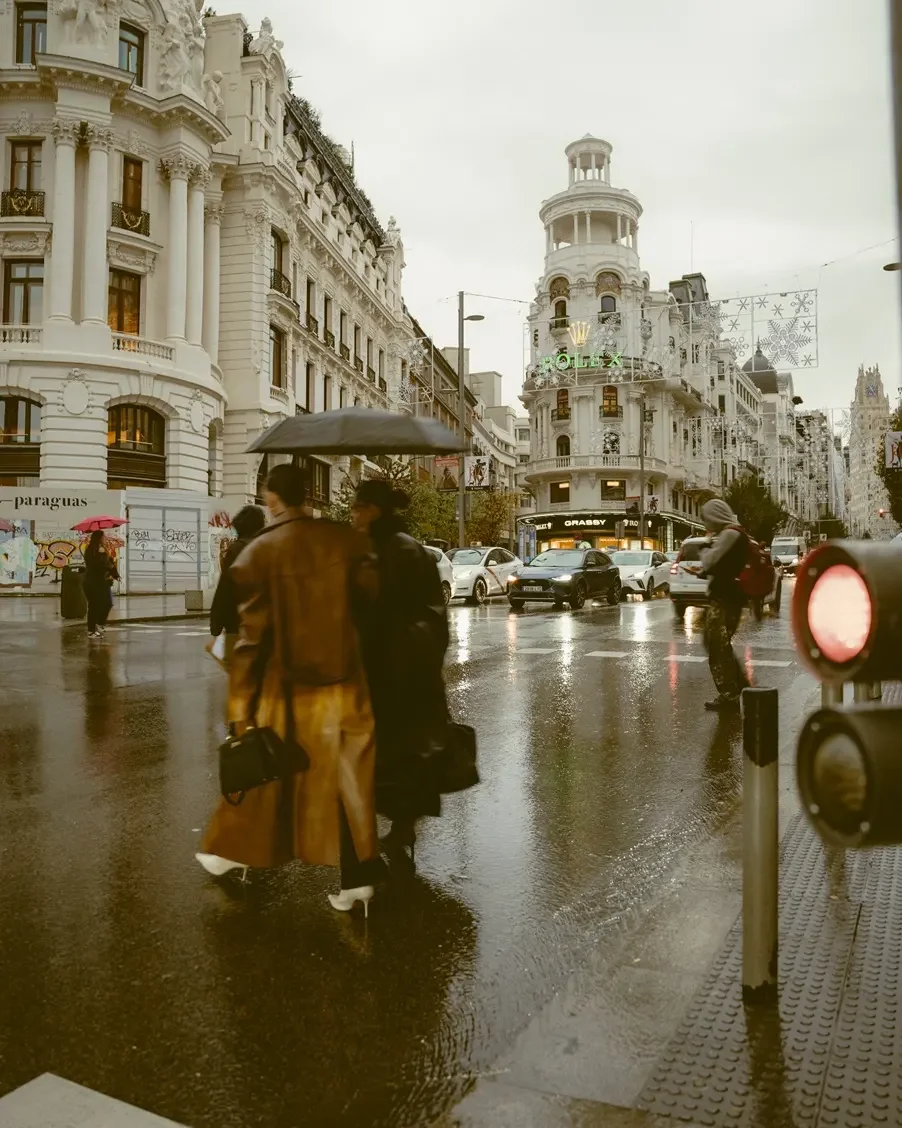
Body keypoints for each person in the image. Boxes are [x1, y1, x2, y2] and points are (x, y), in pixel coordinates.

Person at [197, 464, 385, 915]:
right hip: (348, 685)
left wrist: (239, 704)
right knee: (349, 784)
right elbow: (371, 605)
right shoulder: (346, 539)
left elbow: (251, 639)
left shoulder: (261, 551)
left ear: (271, 498)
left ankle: (231, 852)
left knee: (267, 774)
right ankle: (359, 874)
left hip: (289, 690)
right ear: (308, 493)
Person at [351, 480, 449, 866]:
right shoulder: (405, 548)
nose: (353, 514)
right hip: (410, 669)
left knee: (386, 752)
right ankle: (401, 827)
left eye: (357, 507)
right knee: (403, 752)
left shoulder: (384, 552)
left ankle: (375, 838)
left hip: (387, 671)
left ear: (373, 509)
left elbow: (374, 614)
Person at [693, 498, 751, 712]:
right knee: (719, 645)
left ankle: (730, 694)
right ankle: (741, 687)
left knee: (716, 645)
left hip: (726, 600)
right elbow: (723, 565)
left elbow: (710, 560)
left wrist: (704, 548)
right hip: (728, 598)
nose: (705, 522)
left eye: (706, 517)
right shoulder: (734, 534)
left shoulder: (729, 534)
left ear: (715, 515)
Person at [208, 504, 266, 668]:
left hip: (236, 622)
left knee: (238, 672)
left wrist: (216, 624)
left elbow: (225, 589)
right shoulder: (266, 548)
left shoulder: (236, 549)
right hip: (262, 625)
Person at [84, 530, 119, 640]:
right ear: (98, 538)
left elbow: (110, 564)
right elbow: (95, 565)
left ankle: (99, 624)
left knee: (107, 603)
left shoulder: (103, 550)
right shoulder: (91, 550)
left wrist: (116, 575)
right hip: (92, 581)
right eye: (103, 537)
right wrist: (101, 555)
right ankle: (91, 631)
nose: (104, 538)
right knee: (94, 606)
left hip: (103, 581)